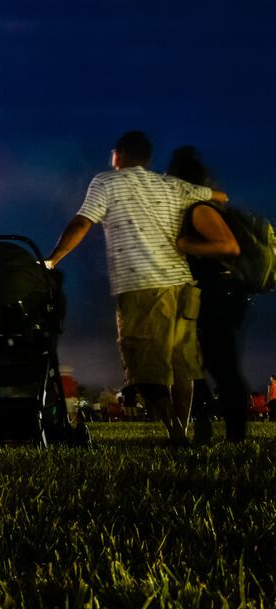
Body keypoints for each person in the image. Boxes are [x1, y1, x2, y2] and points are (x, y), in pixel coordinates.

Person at [45, 131, 224, 444]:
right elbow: (218, 198)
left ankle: (174, 432)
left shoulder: (106, 182)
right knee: (181, 362)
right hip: (181, 282)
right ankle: (181, 430)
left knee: (142, 365)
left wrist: (53, 259)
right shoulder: (171, 185)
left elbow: (83, 222)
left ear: (118, 156)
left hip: (142, 284)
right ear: (148, 159)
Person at [167, 147, 248, 443]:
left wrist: (187, 245)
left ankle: (235, 435)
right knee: (196, 363)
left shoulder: (200, 210)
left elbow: (229, 247)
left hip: (219, 295)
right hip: (210, 294)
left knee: (220, 364)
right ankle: (205, 428)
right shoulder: (197, 208)